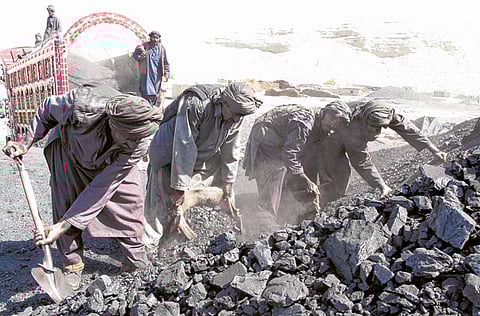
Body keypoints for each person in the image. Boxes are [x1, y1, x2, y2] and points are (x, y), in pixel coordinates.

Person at [2, 83, 162, 290]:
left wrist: (68, 222)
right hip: (69, 152)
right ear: (114, 126)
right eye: (129, 138)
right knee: (67, 205)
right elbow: (47, 109)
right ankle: (72, 265)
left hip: (109, 161)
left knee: (130, 204)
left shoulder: (139, 140)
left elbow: (104, 186)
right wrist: (25, 142)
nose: (133, 143)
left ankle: (135, 259)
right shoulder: (83, 105)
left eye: (137, 139)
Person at [144, 82, 262, 245]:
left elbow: (232, 145)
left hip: (203, 150)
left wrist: (228, 181)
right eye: (236, 114)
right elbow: (184, 145)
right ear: (224, 103)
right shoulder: (196, 103)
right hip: (170, 151)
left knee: (223, 187)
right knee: (162, 198)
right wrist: (179, 188)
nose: (237, 119)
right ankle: (150, 244)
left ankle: (219, 234)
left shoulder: (236, 113)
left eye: (241, 115)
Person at [304, 99, 448, 202]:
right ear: (364, 122)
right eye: (372, 128)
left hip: (347, 135)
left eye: (379, 128)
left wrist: (434, 150)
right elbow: (362, 162)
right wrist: (382, 186)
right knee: (338, 177)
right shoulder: (353, 128)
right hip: (331, 142)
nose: (376, 132)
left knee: (340, 181)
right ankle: (316, 207)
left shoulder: (383, 112)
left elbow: (409, 129)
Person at [243, 101, 351, 223]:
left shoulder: (320, 126)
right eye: (331, 118)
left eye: (337, 123)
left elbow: (314, 154)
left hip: (281, 138)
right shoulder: (305, 122)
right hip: (267, 133)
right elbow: (289, 155)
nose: (332, 124)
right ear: (323, 113)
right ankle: (264, 220)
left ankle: (295, 211)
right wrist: (306, 180)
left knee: (299, 166)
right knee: (276, 170)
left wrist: (320, 176)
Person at [133, 31, 170, 107]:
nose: (155, 40)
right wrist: (140, 55)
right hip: (146, 76)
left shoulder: (162, 49)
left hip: (157, 77)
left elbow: (166, 63)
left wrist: (166, 75)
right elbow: (135, 54)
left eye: (157, 38)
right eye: (153, 37)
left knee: (156, 96)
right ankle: (147, 111)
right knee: (146, 93)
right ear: (150, 38)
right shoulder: (145, 46)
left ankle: (152, 111)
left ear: (159, 38)